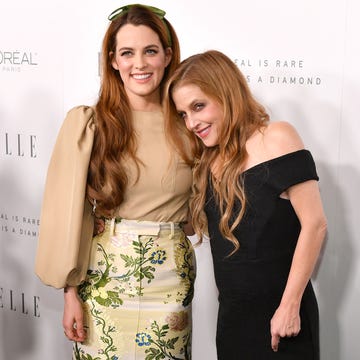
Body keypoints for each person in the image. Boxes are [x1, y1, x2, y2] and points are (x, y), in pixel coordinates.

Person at [35, 4, 196, 360]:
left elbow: (202, 205)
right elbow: (69, 214)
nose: (139, 64)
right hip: (105, 281)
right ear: (112, 60)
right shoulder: (90, 124)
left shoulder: (190, 124)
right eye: (127, 53)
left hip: (170, 280)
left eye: (150, 51)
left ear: (168, 56)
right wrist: (70, 293)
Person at [164, 49, 327, 359]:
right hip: (233, 323)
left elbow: (315, 224)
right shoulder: (208, 162)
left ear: (226, 93)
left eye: (199, 106)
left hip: (283, 319)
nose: (192, 123)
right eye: (183, 114)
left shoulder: (277, 137)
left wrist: (289, 307)